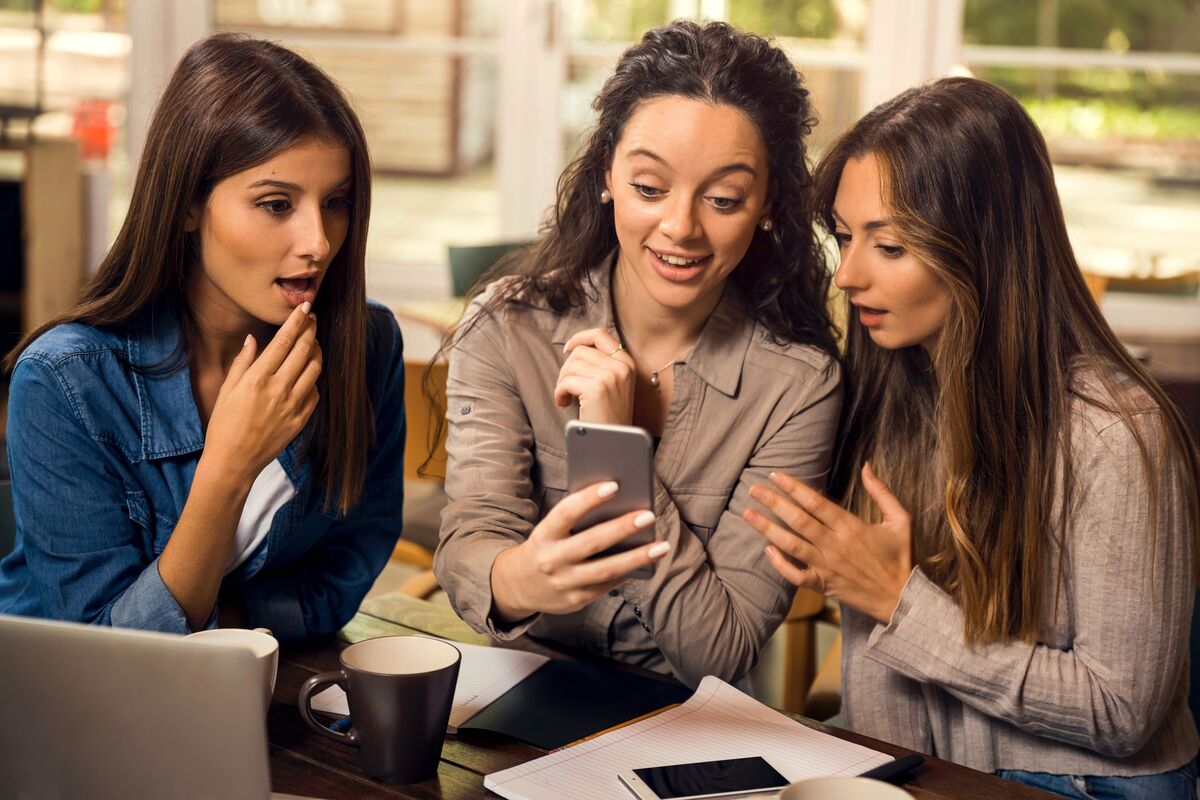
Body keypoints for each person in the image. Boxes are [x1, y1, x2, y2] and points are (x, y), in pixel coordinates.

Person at [744, 77, 1200, 797]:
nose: (850, 275)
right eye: (843, 236)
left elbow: (1123, 712)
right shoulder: (886, 394)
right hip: (915, 771)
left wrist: (900, 602)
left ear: (982, 250)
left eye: (888, 245)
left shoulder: (1118, 434)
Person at [433, 20, 841, 688]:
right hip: (517, 692)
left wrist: (622, 453)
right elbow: (471, 551)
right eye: (650, 188)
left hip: (680, 726)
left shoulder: (798, 387)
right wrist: (521, 578)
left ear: (767, 206)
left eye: (723, 199)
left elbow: (722, 652)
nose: (680, 227)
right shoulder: (508, 329)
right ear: (607, 176)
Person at [0, 33, 406, 641]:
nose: (318, 242)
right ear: (187, 204)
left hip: (252, 683)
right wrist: (228, 466)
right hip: (60, 713)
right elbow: (113, 651)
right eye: (275, 204)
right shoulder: (64, 382)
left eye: (337, 202)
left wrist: (226, 627)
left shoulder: (365, 344)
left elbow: (347, 567)